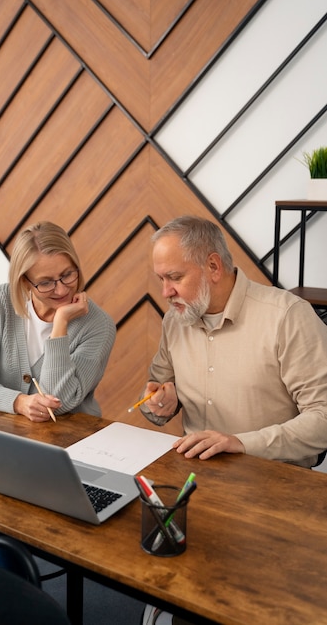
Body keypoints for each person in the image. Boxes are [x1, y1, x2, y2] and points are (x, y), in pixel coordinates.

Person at [140, 215, 327, 625]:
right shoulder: (177, 319)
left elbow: (324, 419)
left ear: (213, 266)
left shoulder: (287, 317)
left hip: (277, 490)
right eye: (161, 279)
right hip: (197, 484)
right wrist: (162, 402)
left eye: (174, 277)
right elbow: (158, 392)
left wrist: (242, 443)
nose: (166, 291)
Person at [0, 221, 116, 566]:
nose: (60, 289)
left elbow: (64, 401)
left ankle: (14, 599)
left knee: (7, 510)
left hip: (66, 450)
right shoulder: (0, 302)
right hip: (4, 441)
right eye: (45, 282)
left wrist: (59, 325)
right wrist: (17, 402)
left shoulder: (97, 326)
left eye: (68, 275)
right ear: (23, 282)